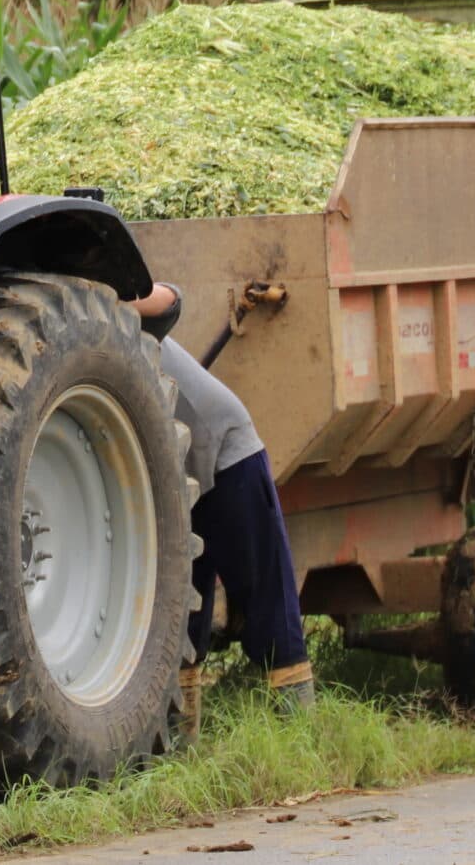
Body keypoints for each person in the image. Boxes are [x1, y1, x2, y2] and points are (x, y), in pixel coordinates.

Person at [126, 281, 313, 733]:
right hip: (179, 477)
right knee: (184, 613)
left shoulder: (101, 304)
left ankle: (300, 732)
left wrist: (106, 293)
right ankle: (182, 743)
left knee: (264, 596)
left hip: (230, 455)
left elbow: (170, 296)